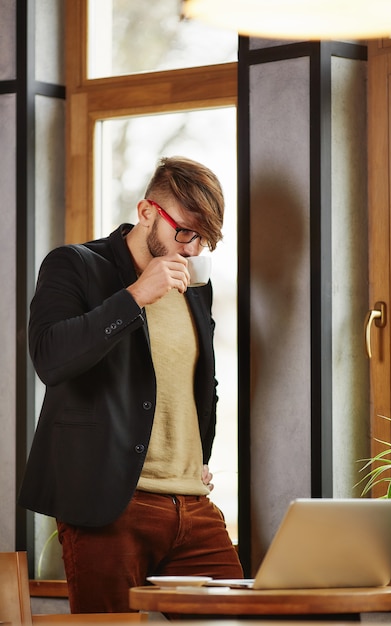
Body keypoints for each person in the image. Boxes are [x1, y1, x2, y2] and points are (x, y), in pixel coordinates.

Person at [18, 156, 243, 613]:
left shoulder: (192, 290)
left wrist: (201, 452)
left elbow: (203, 385)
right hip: (109, 502)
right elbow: (51, 359)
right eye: (185, 232)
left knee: (238, 617)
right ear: (145, 213)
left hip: (192, 504)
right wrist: (136, 295)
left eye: (205, 238)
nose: (194, 249)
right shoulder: (75, 265)